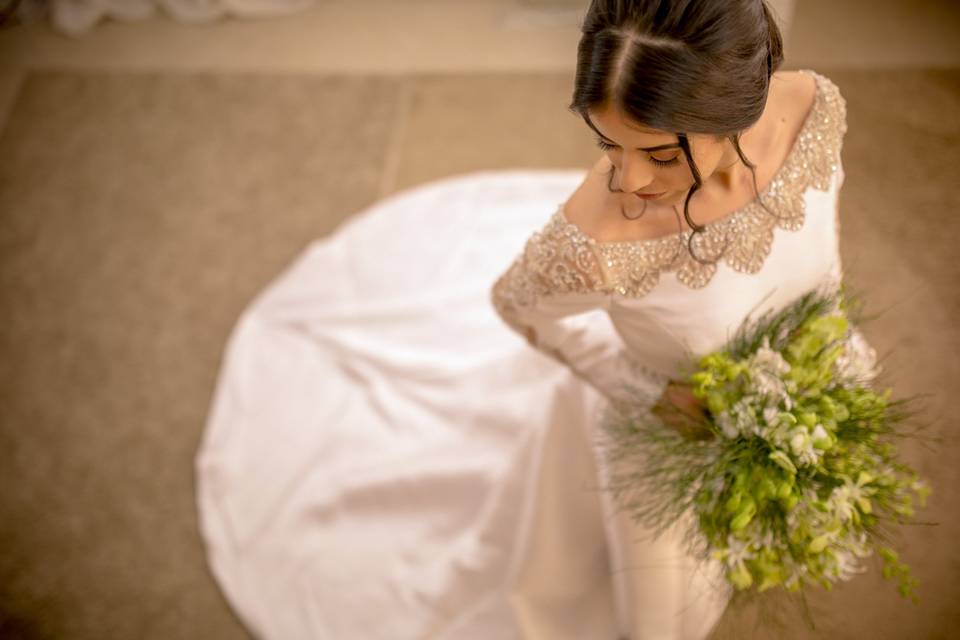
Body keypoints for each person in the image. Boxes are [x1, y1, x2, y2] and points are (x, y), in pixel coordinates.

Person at [194, 1, 854, 638]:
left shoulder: (813, 109)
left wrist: (822, 353)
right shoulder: (599, 238)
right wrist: (653, 397)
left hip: (793, 384)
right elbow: (520, 309)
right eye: (607, 144)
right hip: (665, 432)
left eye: (657, 155)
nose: (624, 182)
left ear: (736, 111)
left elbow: (820, 254)